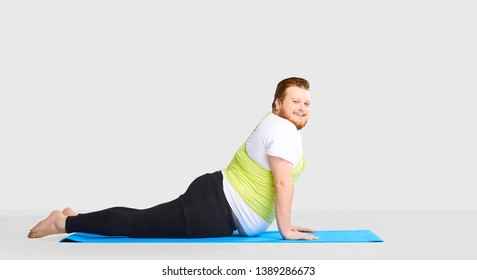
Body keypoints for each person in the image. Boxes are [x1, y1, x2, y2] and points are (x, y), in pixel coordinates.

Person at [28, 77, 317, 240]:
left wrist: (288, 224)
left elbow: (276, 181)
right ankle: (63, 224)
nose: (302, 107)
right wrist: (285, 230)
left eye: (306, 103)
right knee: (138, 226)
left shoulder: (277, 125)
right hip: (215, 208)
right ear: (277, 104)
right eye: (295, 101)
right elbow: (282, 184)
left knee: (142, 218)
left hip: (216, 201)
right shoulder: (283, 130)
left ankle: (76, 217)